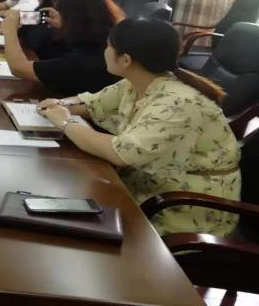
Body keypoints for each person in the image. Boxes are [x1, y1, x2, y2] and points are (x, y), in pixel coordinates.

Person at [37, 19, 240, 236]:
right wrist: (60, 105)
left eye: (108, 46)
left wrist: (66, 123)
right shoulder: (137, 82)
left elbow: (119, 153)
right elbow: (93, 103)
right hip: (148, 185)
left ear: (125, 60)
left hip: (183, 206)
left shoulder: (178, 104)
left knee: (67, 223)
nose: (105, 51)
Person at [0, 0, 123, 94]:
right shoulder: (109, 43)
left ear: (75, 22)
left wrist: (9, 31)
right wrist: (63, 25)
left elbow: (19, 68)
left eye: (63, 16)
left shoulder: (82, 62)